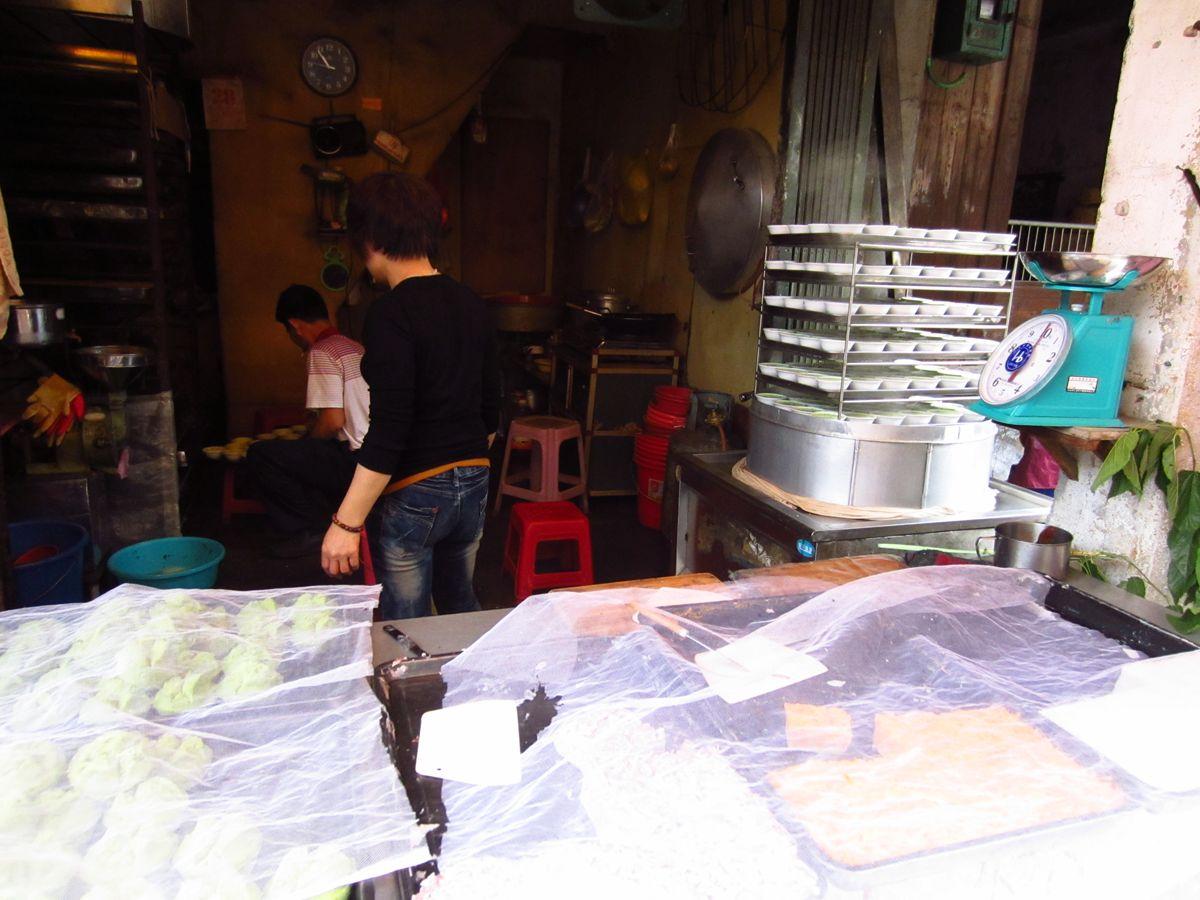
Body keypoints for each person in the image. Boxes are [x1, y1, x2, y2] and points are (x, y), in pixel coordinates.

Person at [320, 172, 500, 620]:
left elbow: (390, 430)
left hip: (418, 492)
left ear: (370, 239)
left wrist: (345, 523)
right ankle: (473, 665)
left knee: (408, 624)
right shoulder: (472, 303)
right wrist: (460, 465)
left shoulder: (390, 314)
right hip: (475, 479)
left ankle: (419, 670)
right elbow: (491, 410)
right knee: (460, 607)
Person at [248, 285, 370, 557]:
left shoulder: (322, 351)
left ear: (295, 325)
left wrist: (306, 441)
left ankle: (308, 529)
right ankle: (323, 518)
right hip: (376, 456)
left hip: (354, 460)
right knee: (304, 455)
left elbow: (333, 421)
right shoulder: (355, 347)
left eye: (288, 331)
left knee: (261, 454)